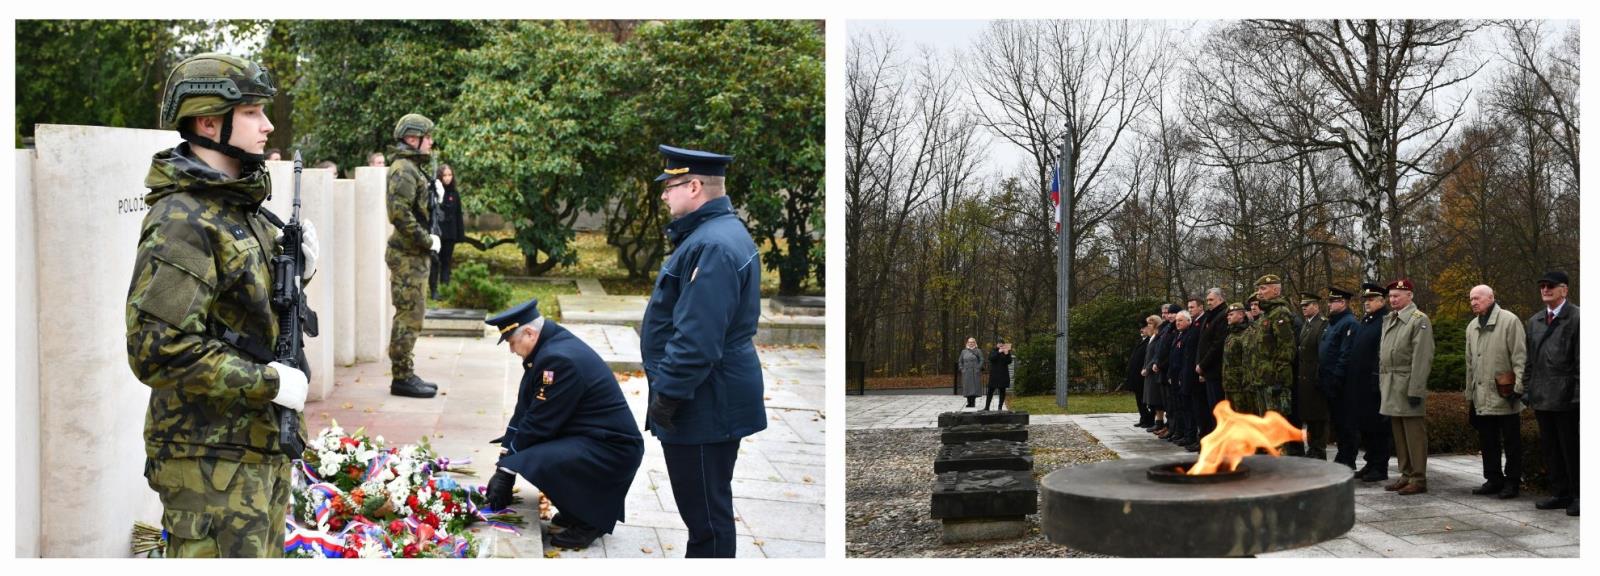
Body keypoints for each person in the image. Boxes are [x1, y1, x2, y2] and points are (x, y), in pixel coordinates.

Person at [127, 52, 318, 557]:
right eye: (253, 112)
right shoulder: (183, 220)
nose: (268, 125)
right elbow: (157, 347)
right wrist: (271, 382)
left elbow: (246, 311)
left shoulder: (235, 206)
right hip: (210, 460)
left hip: (252, 448)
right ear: (210, 121)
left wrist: (297, 272)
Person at [640, 144, 767, 558]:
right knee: (707, 512)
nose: (663, 194)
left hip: (702, 401)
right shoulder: (713, 235)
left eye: (670, 185)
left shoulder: (711, 245)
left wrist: (668, 397)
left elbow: (697, 339)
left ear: (694, 186)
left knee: (707, 521)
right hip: (707, 396)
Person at [482, 299, 644, 550]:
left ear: (529, 332)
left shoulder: (557, 359)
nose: (512, 350)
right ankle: (577, 511)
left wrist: (507, 470)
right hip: (593, 439)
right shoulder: (548, 347)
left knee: (532, 458)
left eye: (512, 343)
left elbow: (538, 423)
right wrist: (503, 461)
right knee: (525, 453)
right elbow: (524, 410)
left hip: (612, 450)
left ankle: (590, 523)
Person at [386, 113, 441, 398]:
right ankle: (402, 377)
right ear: (411, 138)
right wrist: (427, 240)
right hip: (407, 254)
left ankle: (405, 372)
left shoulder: (413, 168)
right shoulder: (404, 169)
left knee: (414, 314)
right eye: (426, 137)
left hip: (414, 254)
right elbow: (399, 215)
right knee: (409, 315)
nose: (430, 142)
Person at [1464, 285, 1527, 499]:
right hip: (1481, 395)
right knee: (1487, 440)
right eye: (1471, 299)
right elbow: (1469, 363)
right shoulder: (1472, 326)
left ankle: (1512, 481)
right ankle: (1493, 478)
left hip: (1505, 393)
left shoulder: (1510, 321)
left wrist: (1518, 388)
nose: (1473, 302)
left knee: (1511, 441)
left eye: (1477, 298)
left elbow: (1520, 357)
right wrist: (1469, 395)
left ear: (1491, 297)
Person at [1526, 271, 1578, 516]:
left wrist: (1578, 396)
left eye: (1550, 286)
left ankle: (1579, 495)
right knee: (1551, 449)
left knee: (1573, 449)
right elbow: (1529, 361)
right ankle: (1559, 492)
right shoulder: (1535, 321)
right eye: (1542, 286)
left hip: (1567, 397)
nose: (1545, 289)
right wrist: (1527, 389)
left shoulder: (1578, 318)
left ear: (1564, 290)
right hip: (1542, 396)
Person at [1379, 278, 1435, 495]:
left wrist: (1416, 390)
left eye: (1397, 296)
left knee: (1413, 434)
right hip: (1392, 383)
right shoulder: (1390, 319)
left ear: (1409, 296)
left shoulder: (1418, 320)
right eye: (1391, 296)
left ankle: (1418, 478)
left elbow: (1422, 358)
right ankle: (1406, 473)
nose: (1392, 299)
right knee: (1399, 433)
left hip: (1407, 383)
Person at [1347, 283, 1393, 482]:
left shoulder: (1384, 321)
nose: (1367, 303)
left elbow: (1382, 352)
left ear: (1382, 301)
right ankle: (1370, 462)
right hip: (1360, 383)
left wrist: (1376, 377)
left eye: (1371, 299)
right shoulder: (1367, 320)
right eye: (1365, 299)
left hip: (1374, 382)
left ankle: (1380, 466)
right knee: (1365, 424)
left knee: (1377, 427)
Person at [1319, 287, 1361, 469]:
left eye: (1332, 301)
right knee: (1338, 423)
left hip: (1342, 384)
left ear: (1342, 302)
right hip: (1329, 381)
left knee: (1346, 423)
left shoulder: (1349, 323)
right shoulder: (1333, 323)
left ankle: (1348, 458)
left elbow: (1345, 354)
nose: (1328, 304)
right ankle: (1342, 456)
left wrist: (1336, 378)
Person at [1252, 275, 1297, 424]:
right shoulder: (1266, 314)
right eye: (1258, 288)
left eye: (1263, 288)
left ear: (1276, 291)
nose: (1259, 292)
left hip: (1274, 380)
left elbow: (1286, 348)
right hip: (1262, 379)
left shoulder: (1280, 313)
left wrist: (1280, 379)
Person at [1297, 292, 1330, 460]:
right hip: (1304, 378)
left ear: (1316, 306)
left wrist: (1318, 376)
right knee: (1309, 416)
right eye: (1302, 306)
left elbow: (1322, 353)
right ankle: (1312, 448)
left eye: (1307, 305)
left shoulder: (1322, 324)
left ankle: (1319, 449)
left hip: (1314, 377)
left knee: (1318, 416)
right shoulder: (1307, 324)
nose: (1304, 308)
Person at [1195, 288, 1229, 437]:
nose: (1209, 303)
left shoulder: (1222, 316)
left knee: (1217, 408)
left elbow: (1217, 344)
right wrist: (1200, 364)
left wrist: (1203, 365)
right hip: (1207, 370)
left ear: (1220, 300)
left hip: (1215, 370)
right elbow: (1202, 343)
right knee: (1211, 408)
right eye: (1208, 300)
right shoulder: (1211, 316)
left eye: (1211, 300)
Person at [1169, 310, 1201, 451]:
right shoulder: (1178, 335)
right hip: (1176, 376)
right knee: (1181, 407)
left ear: (1189, 321)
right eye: (1177, 321)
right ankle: (1184, 434)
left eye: (1181, 320)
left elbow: (1186, 359)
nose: (1178, 323)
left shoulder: (1189, 335)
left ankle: (1190, 436)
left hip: (1185, 377)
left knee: (1189, 409)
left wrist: (1182, 376)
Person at [433, 163, 466, 288]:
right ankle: (433, 288)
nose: (447, 178)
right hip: (437, 232)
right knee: (435, 261)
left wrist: (460, 234)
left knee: (446, 261)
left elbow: (458, 214)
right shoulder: (435, 193)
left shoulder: (455, 194)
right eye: (444, 175)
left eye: (450, 175)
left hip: (450, 233)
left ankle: (445, 286)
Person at [1222, 302, 1258, 414]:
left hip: (1241, 386)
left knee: (1243, 416)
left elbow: (1248, 361)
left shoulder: (1248, 333)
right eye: (1228, 315)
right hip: (1229, 384)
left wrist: (1247, 385)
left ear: (1241, 315)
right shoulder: (1231, 334)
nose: (1228, 317)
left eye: (1231, 314)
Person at [1142, 314, 1168, 434]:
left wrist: (1148, 368)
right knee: (1152, 399)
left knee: (1156, 399)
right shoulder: (1152, 338)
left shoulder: (1158, 338)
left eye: (1150, 324)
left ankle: (1160, 422)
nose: (1148, 327)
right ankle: (1158, 422)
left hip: (1154, 373)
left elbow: (1155, 356)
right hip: (1149, 373)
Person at [1127, 320, 1155, 428]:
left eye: (1144, 328)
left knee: (1146, 400)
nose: (1141, 330)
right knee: (1139, 399)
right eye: (1141, 328)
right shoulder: (1142, 341)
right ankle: (1143, 418)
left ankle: (1149, 419)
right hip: (1137, 376)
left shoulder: (1149, 341)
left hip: (1143, 376)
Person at [986, 341, 1013, 411]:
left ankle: (1000, 407)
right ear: (997, 344)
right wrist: (998, 352)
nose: (1000, 345)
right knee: (990, 391)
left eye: (1002, 344)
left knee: (1002, 391)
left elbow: (1009, 361)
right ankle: (987, 407)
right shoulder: (993, 351)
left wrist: (1007, 354)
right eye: (999, 344)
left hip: (1003, 374)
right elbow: (991, 358)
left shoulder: (1006, 351)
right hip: (994, 374)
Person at [958, 337, 983, 408]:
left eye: (972, 342)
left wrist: (978, 368)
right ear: (967, 343)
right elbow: (960, 361)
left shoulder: (978, 351)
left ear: (975, 343)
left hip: (974, 371)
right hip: (966, 372)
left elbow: (981, 360)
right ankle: (969, 402)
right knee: (967, 387)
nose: (971, 343)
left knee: (974, 387)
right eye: (969, 342)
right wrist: (962, 369)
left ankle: (973, 402)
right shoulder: (963, 351)